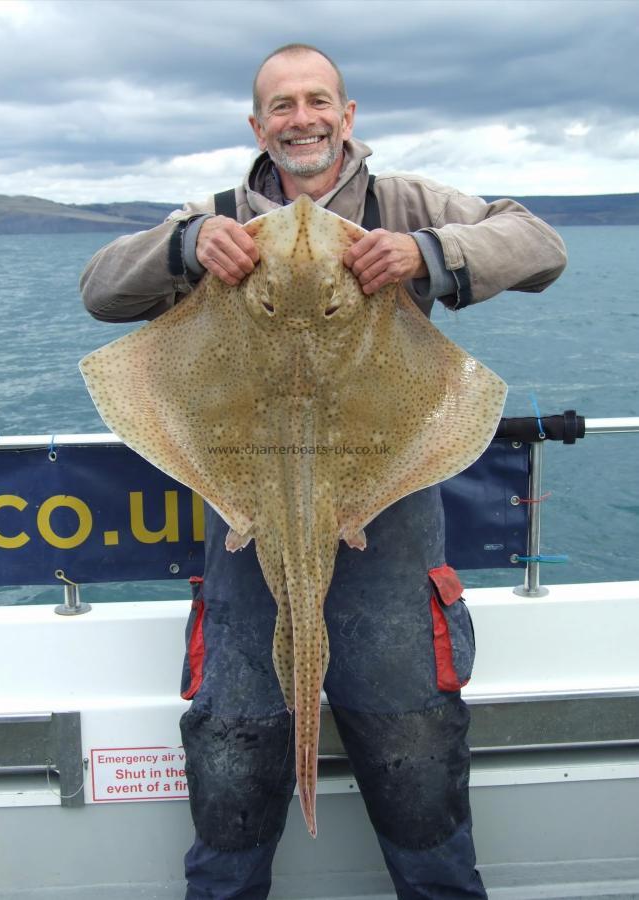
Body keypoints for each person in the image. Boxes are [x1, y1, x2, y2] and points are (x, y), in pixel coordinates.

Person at [81, 43, 566, 900]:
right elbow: (100, 289)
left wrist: (427, 253)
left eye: (317, 102)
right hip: (248, 527)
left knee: (418, 767)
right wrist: (189, 247)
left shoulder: (405, 201)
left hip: (388, 541)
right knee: (231, 762)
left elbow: (537, 244)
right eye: (281, 105)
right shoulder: (217, 212)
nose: (300, 119)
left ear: (346, 116)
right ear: (257, 125)